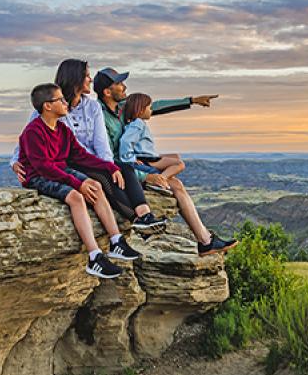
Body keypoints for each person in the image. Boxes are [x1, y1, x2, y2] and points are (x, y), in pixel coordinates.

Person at [93, 67, 237, 256]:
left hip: (137, 164)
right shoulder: (98, 116)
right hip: (125, 172)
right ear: (107, 91)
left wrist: (191, 101)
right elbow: (110, 158)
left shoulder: (122, 106)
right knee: (173, 181)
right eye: (119, 83)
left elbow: (155, 106)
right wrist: (145, 175)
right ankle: (205, 241)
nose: (124, 86)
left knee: (176, 184)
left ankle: (205, 241)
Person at [11, 60, 165, 233]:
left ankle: (145, 215)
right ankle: (135, 219)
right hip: (69, 163)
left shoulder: (92, 107)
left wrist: (111, 167)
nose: (90, 80)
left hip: (89, 160)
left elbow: (101, 144)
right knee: (104, 179)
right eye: (86, 76)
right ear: (75, 79)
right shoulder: (51, 108)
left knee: (124, 170)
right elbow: (27, 140)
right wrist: (15, 161)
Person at [18, 82, 141, 278]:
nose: (66, 103)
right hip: (38, 176)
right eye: (60, 100)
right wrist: (77, 184)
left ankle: (116, 241)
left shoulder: (63, 130)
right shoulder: (33, 132)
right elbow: (42, 167)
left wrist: (110, 167)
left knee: (95, 185)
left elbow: (81, 156)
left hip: (59, 169)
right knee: (76, 197)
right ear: (47, 106)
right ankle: (94, 257)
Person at [119, 93, 186, 188]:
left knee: (175, 156)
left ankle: (163, 177)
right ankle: (160, 179)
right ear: (141, 111)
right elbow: (125, 141)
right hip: (145, 159)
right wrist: (131, 159)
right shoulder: (138, 123)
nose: (151, 110)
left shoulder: (136, 123)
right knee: (179, 164)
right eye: (149, 108)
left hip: (147, 156)